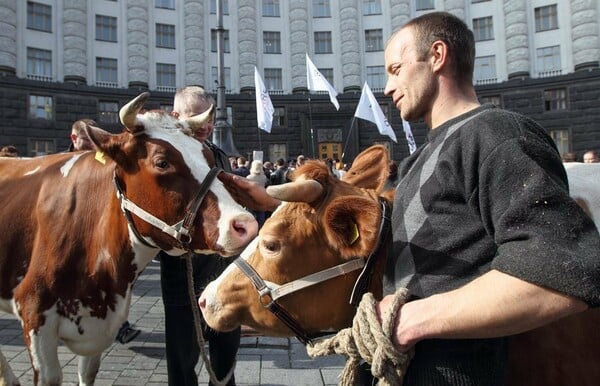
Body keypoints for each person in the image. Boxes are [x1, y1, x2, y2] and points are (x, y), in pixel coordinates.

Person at [375, 12, 599, 385]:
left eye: (396, 69)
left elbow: (567, 269)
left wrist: (416, 319)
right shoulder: (418, 158)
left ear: (437, 55)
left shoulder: (496, 134)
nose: (387, 86)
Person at [159, 86, 241, 386]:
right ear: (175, 116)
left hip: (223, 271)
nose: (207, 124)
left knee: (226, 351)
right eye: (198, 116)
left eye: (211, 115)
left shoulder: (219, 155)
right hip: (184, 273)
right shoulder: (165, 158)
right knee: (183, 359)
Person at [68, 118, 143, 344]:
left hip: (99, 230)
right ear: (74, 139)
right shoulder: (62, 161)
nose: (93, 145)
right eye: (88, 140)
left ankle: (120, 325)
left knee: (115, 278)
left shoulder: (103, 158)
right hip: (72, 232)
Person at [246, 160, 268, 228]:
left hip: (251, 199)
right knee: (261, 215)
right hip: (261, 198)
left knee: (251, 216)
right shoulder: (264, 177)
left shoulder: (249, 177)